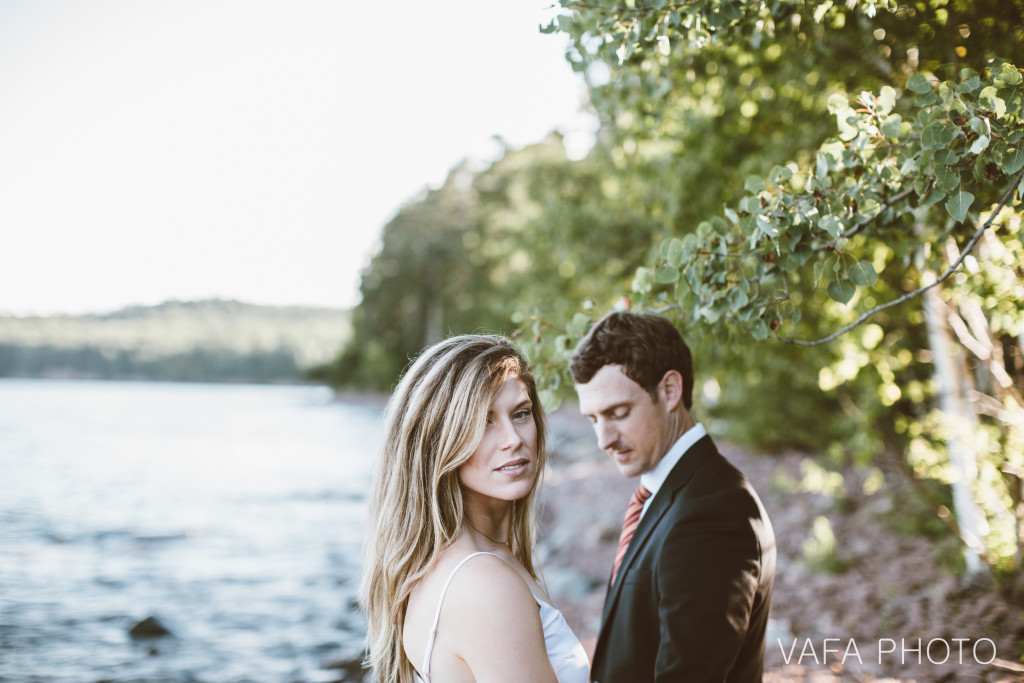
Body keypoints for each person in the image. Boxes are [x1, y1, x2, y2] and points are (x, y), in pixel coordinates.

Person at [361, 334, 590, 683]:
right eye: (483, 421)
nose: (513, 439)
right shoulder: (485, 585)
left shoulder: (453, 565)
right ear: (438, 442)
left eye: (521, 413)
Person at [570, 311, 776, 683]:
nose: (604, 439)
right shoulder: (671, 494)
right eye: (593, 419)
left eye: (617, 413)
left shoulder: (711, 513)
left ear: (669, 391)